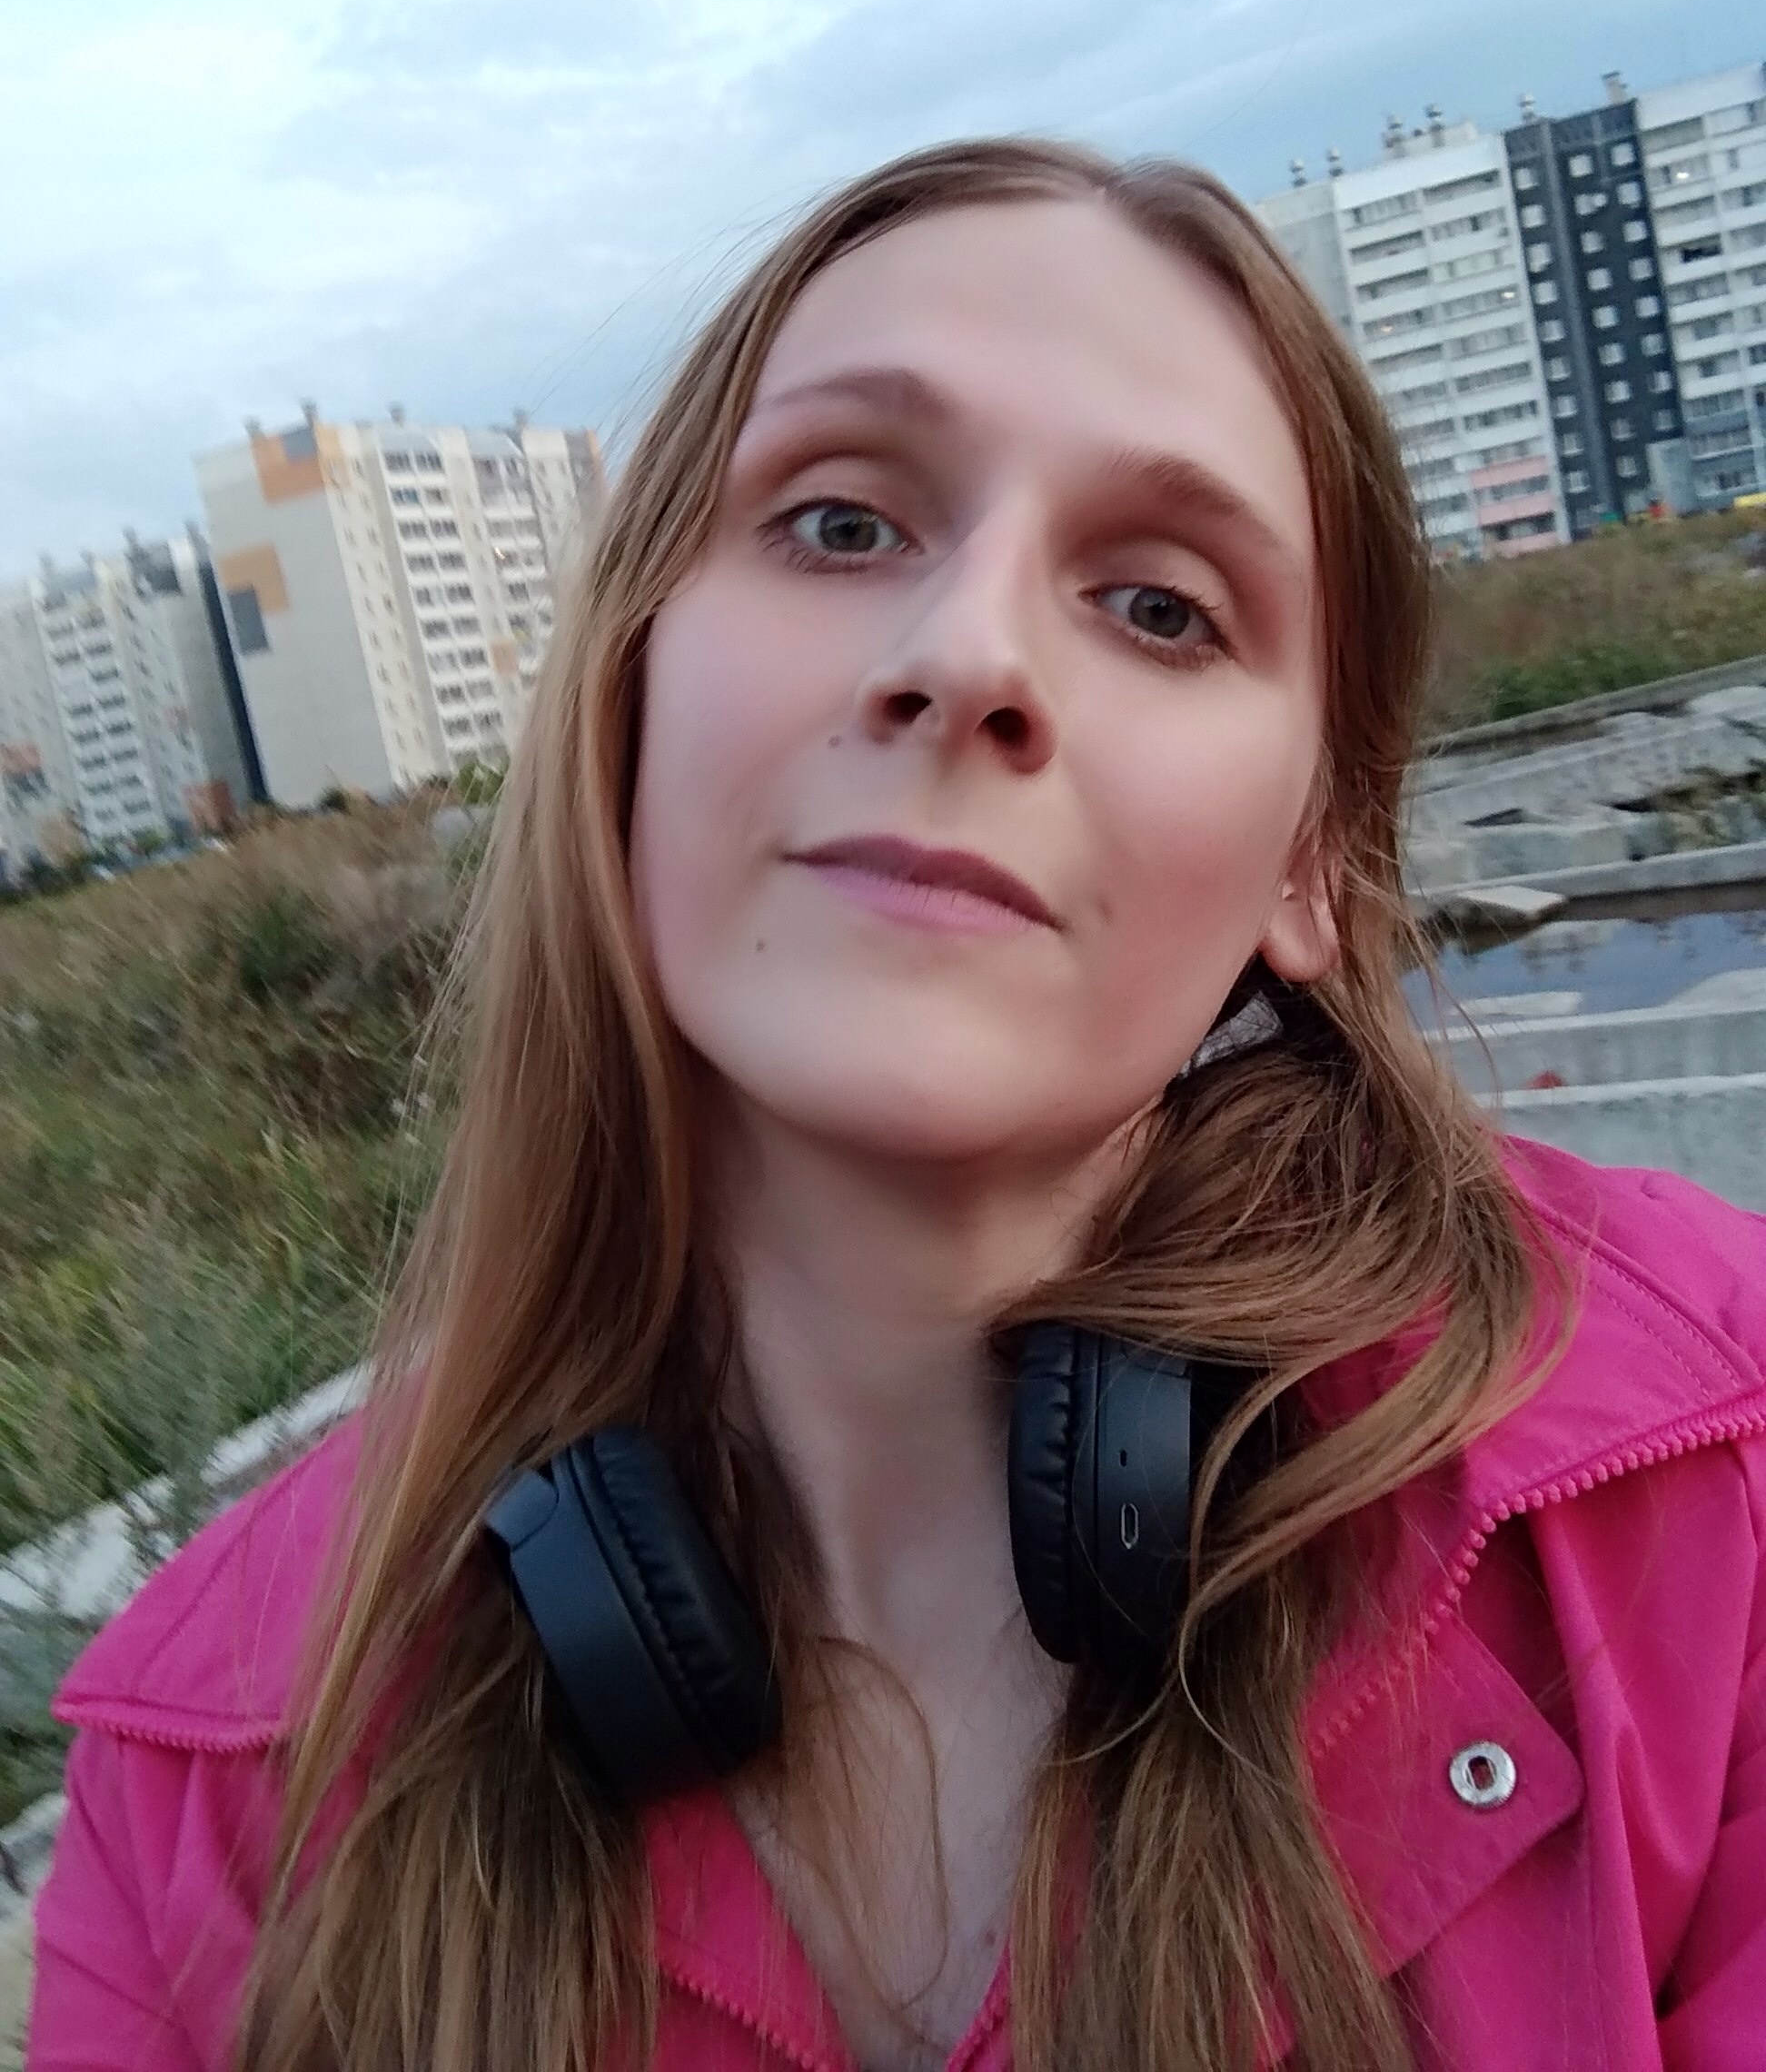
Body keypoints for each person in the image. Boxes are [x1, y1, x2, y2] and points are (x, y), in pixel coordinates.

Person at [29, 140, 1766, 2072]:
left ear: (1313, 865)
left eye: (1163, 607)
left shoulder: (1707, 1500)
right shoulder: (211, 1787)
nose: (966, 657)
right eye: (843, 523)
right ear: (628, 686)